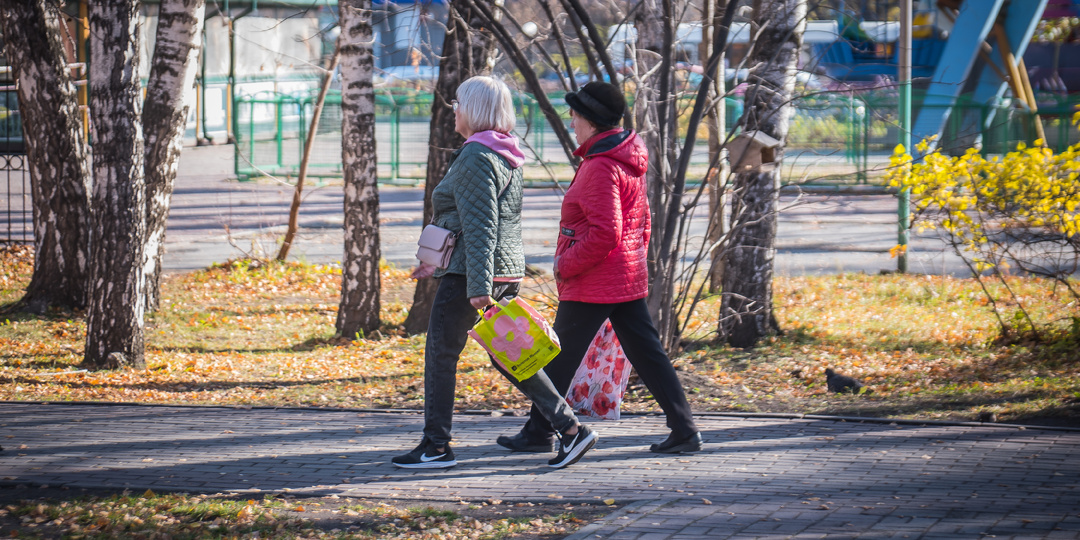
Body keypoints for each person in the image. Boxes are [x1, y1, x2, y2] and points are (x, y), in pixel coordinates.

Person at [392, 76, 597, 470]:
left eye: (458, 103)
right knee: (511, 355)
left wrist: (478, 286)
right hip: (495, 270)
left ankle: (436, 447)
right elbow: (477, 220)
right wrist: (436, 259)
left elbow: (482, 226)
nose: (454, 110)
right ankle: (571, 430)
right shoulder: (506, 153)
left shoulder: (475, 156)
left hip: (473, 275)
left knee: (440, 355)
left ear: (473, 109)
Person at [496, 81, 702, 455]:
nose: (571, 121)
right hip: (623, 275)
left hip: (595, 278)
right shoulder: (625, 156)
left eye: (574, 115)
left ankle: (539, 431)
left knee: (556, 357)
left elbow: (607, 231)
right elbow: (643, 222)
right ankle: (684, 429)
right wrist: (634, 258)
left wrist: (565, 264)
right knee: (646, 353)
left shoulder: (602, 166)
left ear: (590, 120)